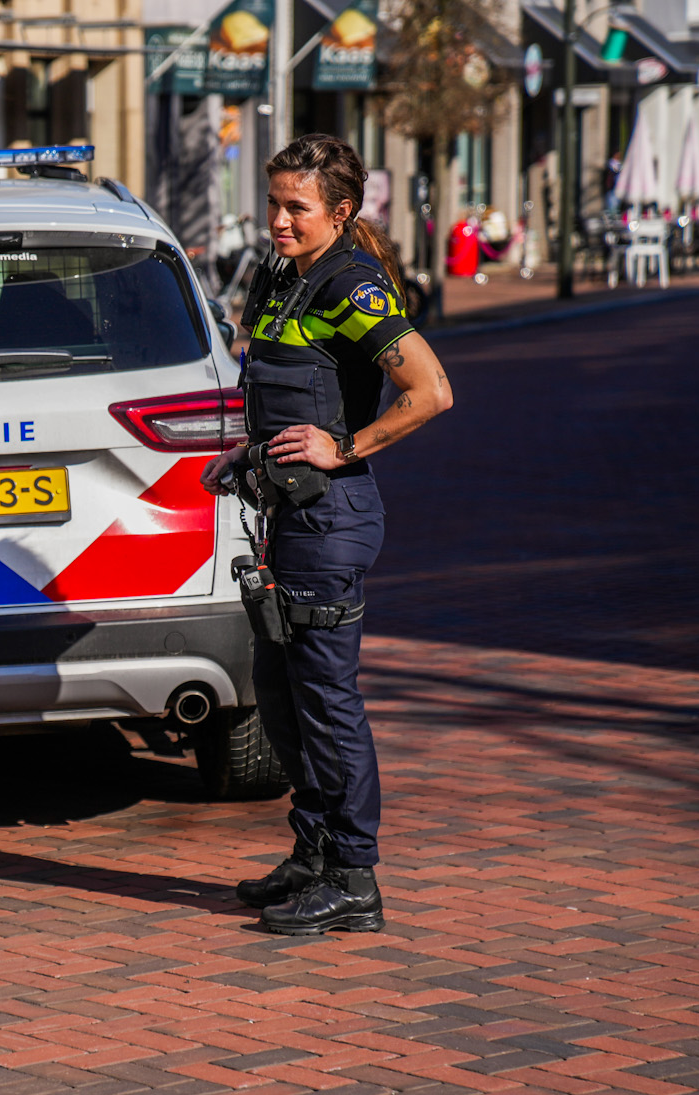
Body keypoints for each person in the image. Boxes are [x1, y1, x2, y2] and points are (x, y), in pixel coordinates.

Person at [199, 134, 452, 935]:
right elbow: (287, 391)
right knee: (281, 694)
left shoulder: (354, 285)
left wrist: (342, 447)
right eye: (272, 202)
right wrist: (251, 454)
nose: (277, 220)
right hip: (285, 512)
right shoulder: (283, 277)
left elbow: (431, 391)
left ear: (340, 213)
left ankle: (354, 874)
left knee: (327, 701)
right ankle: (311, 852)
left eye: (295, 207)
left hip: (331, 519)